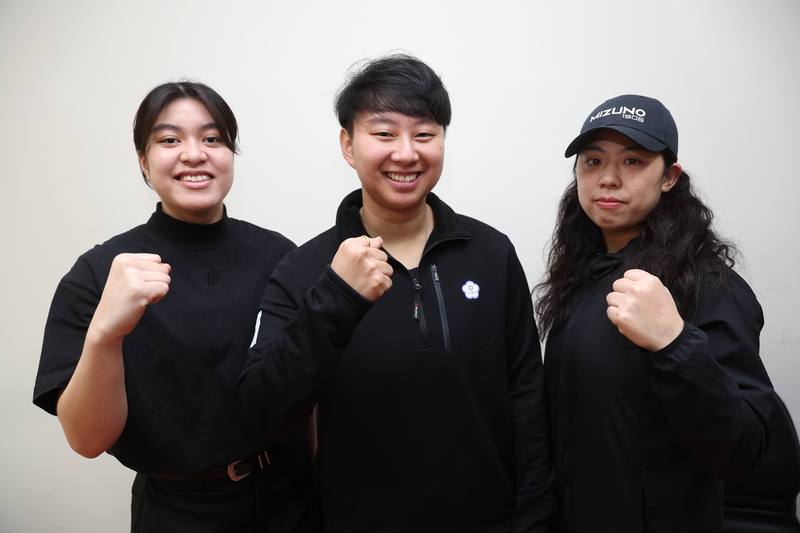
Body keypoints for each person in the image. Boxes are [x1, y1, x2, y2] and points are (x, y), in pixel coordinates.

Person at [238, 54, 555, 532]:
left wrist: (534, 520)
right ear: (348, 145)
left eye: (424, 134)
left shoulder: (492, 253)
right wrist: (336, 297)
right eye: (384, 133)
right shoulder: (305, 270)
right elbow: (259, 413)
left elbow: (527, 398)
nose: (406, 154)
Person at [32, 81, 315, 532]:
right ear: (143, 161)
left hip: (289, 502)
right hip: (177, 512)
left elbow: (311, 391)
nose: (194, 154)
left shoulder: (280, 256)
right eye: (169, 140)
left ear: (231, 153)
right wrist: (106, 332)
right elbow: (86, 440)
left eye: (212, 138)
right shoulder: (100, 272)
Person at [535, 94, 774, 532]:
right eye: (593, 161)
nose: (608, 178)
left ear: (669, 177)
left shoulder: (707, 286)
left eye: (633, 161)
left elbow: (743, 448)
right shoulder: (579, 276)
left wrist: (674, 343)